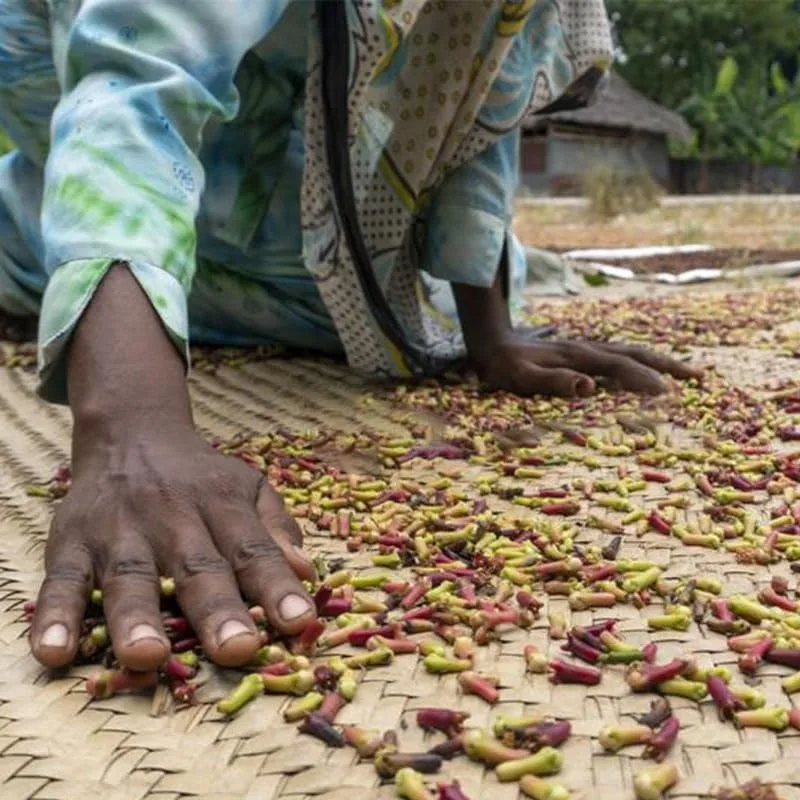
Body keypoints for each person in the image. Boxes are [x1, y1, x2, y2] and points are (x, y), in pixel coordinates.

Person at [0, 0, 699, 673]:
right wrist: (130, 422)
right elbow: (138, 75)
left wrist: (491, 333)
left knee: (380, 316)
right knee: (46, 251)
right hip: (100, 130)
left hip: (299, 213)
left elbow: (477, 79)